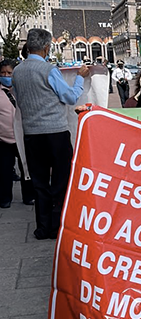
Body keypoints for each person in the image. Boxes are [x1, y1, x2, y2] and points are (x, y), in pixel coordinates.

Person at [12, 28, 89, 239]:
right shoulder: (48, 70)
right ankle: (57, 225)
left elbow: (19, 101)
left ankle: (42, 227)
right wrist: (80, 79)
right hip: (55, 131)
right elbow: (70, 98)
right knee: (61, 180)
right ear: (47, 47)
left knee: (39, 182)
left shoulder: (17, 72)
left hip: (31, 134)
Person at [0, 59, 34, 208]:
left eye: (9, 73)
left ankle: (29, 196)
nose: (6, 76)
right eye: (3, 73)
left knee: (26, 168)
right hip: (3, 139)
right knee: (4, 171)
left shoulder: (22, 89)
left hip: (22, 136)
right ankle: (5, 198)